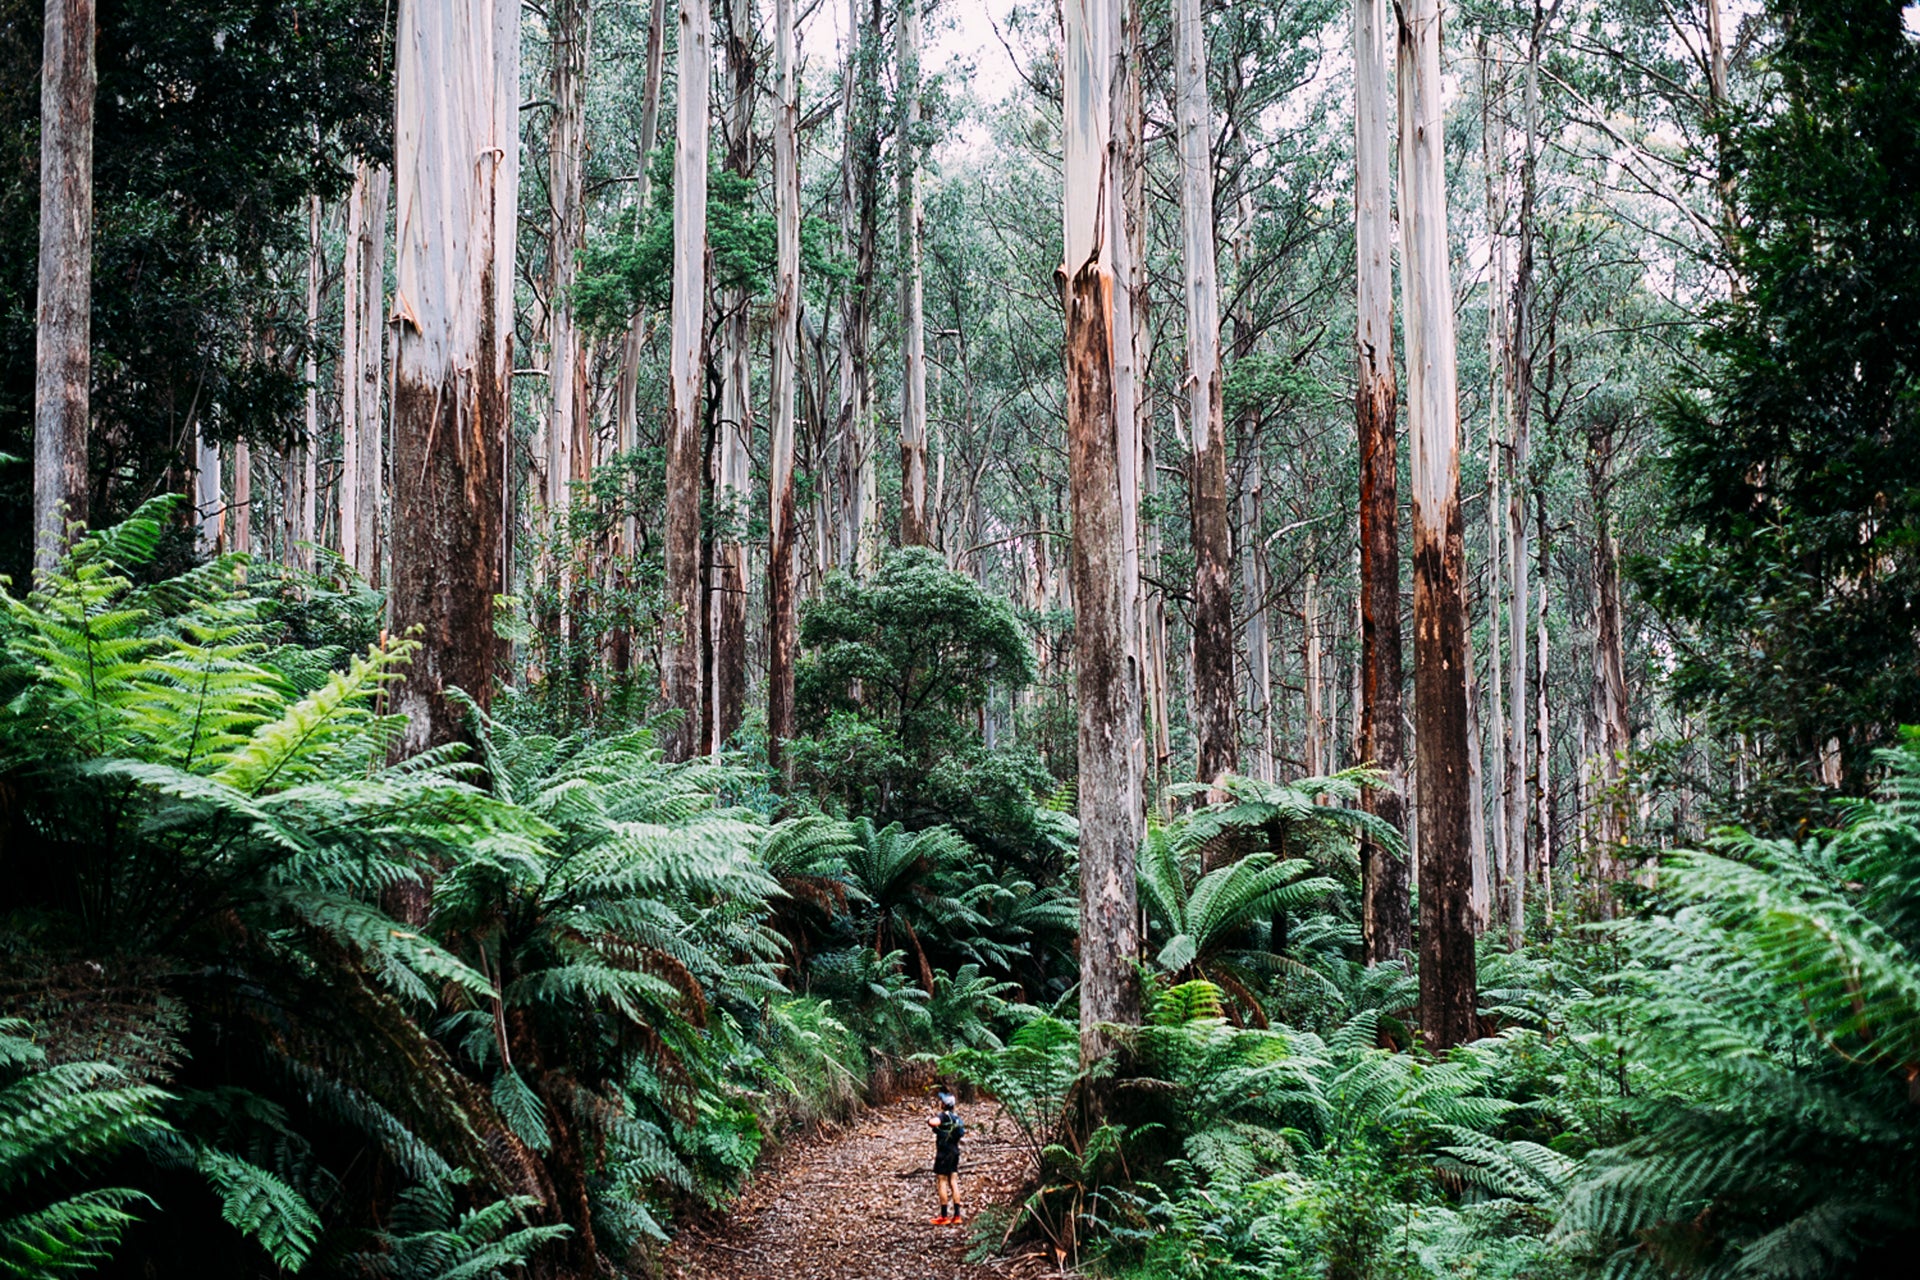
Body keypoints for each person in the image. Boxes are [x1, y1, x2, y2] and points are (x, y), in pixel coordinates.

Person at [926, 1086, 965, 1225]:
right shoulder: (957, 1118)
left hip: (944, 1153)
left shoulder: (943, 1116)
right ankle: (957, 1215)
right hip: (955, 1152)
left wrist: (930, 1120)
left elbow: (933, 1122)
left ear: (944, 1104)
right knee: (953, 1182)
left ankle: (944, 1216)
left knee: (942, 1181)